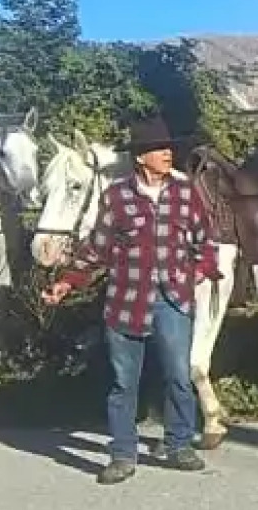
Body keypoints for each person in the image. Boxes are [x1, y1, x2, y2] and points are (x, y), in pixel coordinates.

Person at [40, 116, 221, 484]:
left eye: (169, 148)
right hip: (126, 301)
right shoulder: (117, 197)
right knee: (124, 383)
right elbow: (97, 250)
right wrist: (68, 282)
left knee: (178, 376)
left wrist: (200, 271)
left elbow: (206, 240)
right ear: (141, 157)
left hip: (173, 299)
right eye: (160, 149)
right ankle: (122, 454)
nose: (168, 153)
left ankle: (179, 444)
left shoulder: (185, 194)